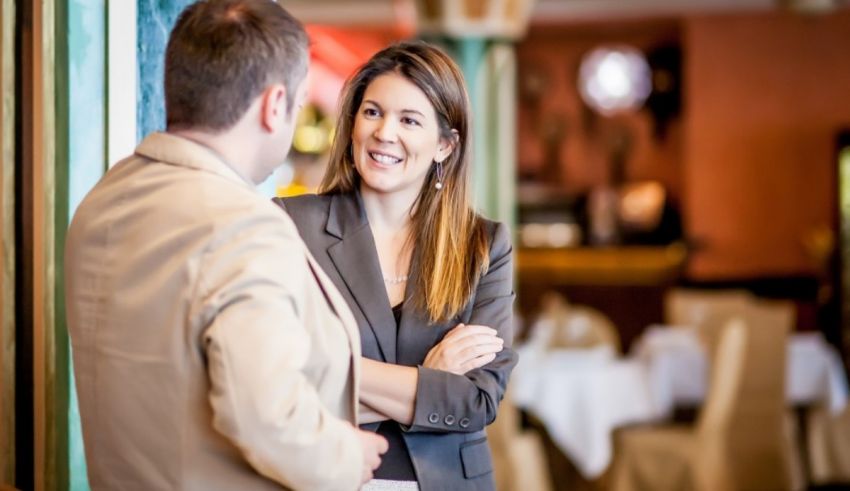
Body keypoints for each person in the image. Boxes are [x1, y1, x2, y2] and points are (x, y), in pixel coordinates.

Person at [64, 1, 386, 489]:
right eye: (298, 105)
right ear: (274, 105)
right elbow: (264, 414)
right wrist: (348, 455)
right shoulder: (245, 226)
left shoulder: (105, 198)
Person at [275, 41, 517, 491]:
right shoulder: (289, 225)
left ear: (445, 145)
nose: (385, 132)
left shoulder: (483, 245)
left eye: (409, 120)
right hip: (325, 478)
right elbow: (271, 384)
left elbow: (477, 400)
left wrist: (331, 370)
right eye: (372, 112)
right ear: (351, 124)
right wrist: (432, 378)